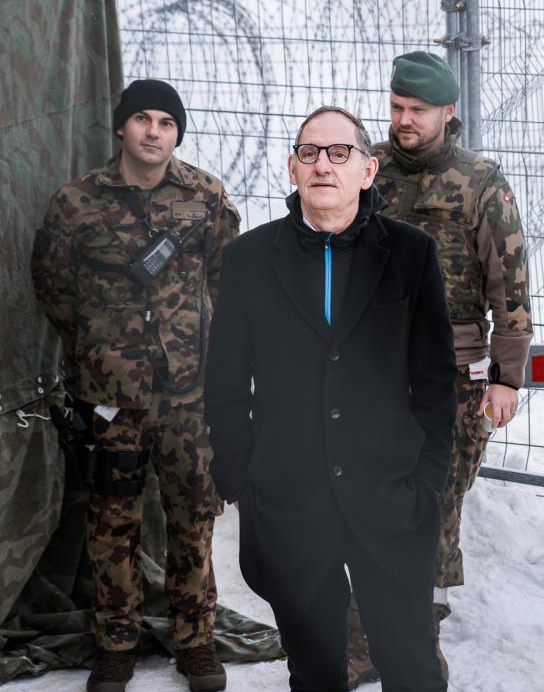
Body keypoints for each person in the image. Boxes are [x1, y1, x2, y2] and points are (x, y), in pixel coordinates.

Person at [203, 106, 457, 692]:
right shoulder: (248, 259)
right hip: (289, 505)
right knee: (315, 672)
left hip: (391, 500)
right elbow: (225, 381)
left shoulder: (411, 254)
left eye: (339, 153)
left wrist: (426, 481)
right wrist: (242, 482)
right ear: (292, 168)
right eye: (310, 152)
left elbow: (436, 380)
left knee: (412, 668)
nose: (323, 164)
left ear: (367, 171)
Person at [31, 79, 239, 692]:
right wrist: (99, 345)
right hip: (109, 396)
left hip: (188, 396)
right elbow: (52, 285)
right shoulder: (76, 202)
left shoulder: (204, 197)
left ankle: (195, 641)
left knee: (192, 515)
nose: (154, 132)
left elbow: (227, 278)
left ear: (177, 134)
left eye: (167, 123)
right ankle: (116, 644)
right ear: (121, 127)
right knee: (111, 520)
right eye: (143, 119)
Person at [342, 50, 533, 684]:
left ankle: (415, 642)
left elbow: (511, 286)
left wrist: (506, 377)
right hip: (370, 369)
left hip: (451, 375)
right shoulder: (366, 168)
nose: (404, 120)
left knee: (433, 506)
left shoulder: (480, 182)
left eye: (418, 110)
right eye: (397, 107)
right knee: (364, 500)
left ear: (449, 111)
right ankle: (363, 637)